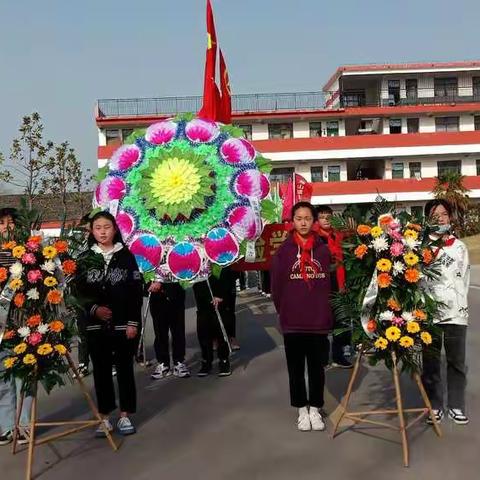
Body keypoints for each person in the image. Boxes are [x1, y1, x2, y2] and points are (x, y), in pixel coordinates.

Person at [76, 211, 143, 436]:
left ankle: (125, 416)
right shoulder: (85, 258)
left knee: (125, 369)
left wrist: (133, 323)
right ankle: (104, 417)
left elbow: (135, 292)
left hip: (123, 324)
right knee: (101, 372)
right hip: (96, 326)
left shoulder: (126, 256)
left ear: (115, 229)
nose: (103, 231)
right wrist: (94, 310)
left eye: (107, 227)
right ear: (92, 231)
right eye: (98, 227)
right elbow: (79, 293)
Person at [271, 202, 333, 432]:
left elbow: (331, 286)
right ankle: (301, 409)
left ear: (314, 221)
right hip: (293, 321)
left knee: (317, 368)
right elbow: (276, 287)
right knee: (296, 369)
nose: (304, 222)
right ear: (292, 221)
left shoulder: (324, 250)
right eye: (299, 218)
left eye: (308, 218)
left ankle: (315, 408)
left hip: (318, 320)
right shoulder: (284, 252)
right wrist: (284, 310)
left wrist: (328, 311)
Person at [422, 199, 470, 426]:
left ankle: (456, 406)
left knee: (456, 362)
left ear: (450, 217)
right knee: (430, 363)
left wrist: (460, 303)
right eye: (434, 214)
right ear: (427, 219)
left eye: (443, 214)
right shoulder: (420, 247)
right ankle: (434, 405)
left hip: (456, 313)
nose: (440, 218)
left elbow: (465, 278)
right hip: (429, 314)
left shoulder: (459, 247)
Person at [0, 207, 32, 446]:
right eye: (1, 223)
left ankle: (24, 425)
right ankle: (6, 426)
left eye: (11, 223)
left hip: (23, 322)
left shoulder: (29, 255)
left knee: (24, 375)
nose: (6, 227)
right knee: (2, 377)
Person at [316, 205, 352, 369]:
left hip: (338, 281)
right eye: (322, 217)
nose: (326, 220)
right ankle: (321, 358)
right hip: (321, 284)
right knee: (322, 323)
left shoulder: (338, 234)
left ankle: (340, 355)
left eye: (328, 216)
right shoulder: (313, 237)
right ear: (317, 219)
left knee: (341, 321)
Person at [149, 281, 190, 379]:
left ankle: (179, 362)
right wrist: (149, 285)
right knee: (160, 333)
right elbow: (143, 271)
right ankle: (163, 364)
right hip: (157, 298)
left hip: (175, 295)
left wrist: (162, 284)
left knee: (178, 331)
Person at [193, 277, 231, 377]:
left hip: (219, 298)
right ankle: (206, 361)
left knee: (221, 332)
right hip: (202, 299)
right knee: (204, 333)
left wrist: (221, 296)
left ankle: (224, 360)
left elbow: (227, 275)